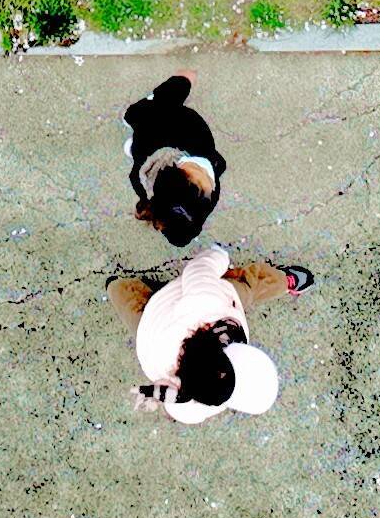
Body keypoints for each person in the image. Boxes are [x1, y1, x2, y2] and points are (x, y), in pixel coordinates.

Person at [112, 240, 309, 423]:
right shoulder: (202, 402)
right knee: (130, 305)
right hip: (149, 332)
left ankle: (116, 285)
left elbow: (199, 269)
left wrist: (218, 255)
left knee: (247, 285)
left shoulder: (206, 303)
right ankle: (115, 285)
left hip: (168, 309)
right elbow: (180, 407)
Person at [124, 72, 227, 246]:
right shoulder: (188, 129)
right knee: (135, 118)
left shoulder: (206, 195)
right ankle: (134, 126)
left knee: (135, 118)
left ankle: (133, 126)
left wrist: (185, 78)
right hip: (159, 126)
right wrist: (185, 79)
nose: (206, 177)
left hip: (152, 129)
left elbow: (171, 93)